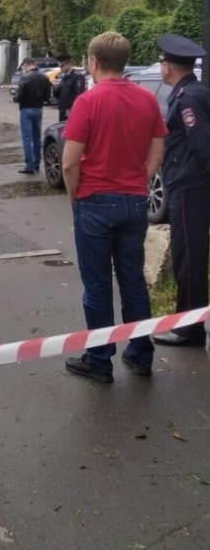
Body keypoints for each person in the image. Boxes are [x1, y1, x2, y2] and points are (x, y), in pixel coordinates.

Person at [61, 31, 166, 383]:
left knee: (97, 285)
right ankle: (140, 355)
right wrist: (138, 181)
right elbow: (156, 151)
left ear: (93, 62)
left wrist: (76, 197)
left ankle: (99, 360)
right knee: (133, 280)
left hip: (94, 201)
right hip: (134, 201)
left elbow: (69, 163)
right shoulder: (147, 100)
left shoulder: (88, 102)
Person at [151, 33, 210, 346]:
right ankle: (189, 322)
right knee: (191, 257)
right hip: (189, 185)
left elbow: (202, 147)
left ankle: (189, 328)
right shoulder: (192, 91)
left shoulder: (187, 98)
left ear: (168, 67)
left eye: (162, 62)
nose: (160, 66)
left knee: (189, 259)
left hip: (190, 188)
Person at [14, 58, 51, 173]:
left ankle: (29, 165)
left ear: (26, 65)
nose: (24, 69)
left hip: (26, 109)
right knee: (37, 137)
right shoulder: (44, 77)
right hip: (39, 108)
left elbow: (19, 95)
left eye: (24, 66)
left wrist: (16, 99)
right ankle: (37, 163)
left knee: (27, 138)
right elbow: (47, 95)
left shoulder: (25, 77)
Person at [54, 55, 86, 122]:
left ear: (69, 64)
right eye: (60, 66)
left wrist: (71, 109)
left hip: (71, 110)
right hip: (62, 109)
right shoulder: (64, 77)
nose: (61, 68)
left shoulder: (77, 77)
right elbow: (59, 95)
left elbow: (79, 95)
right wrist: (56, 89)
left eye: (62, 66)